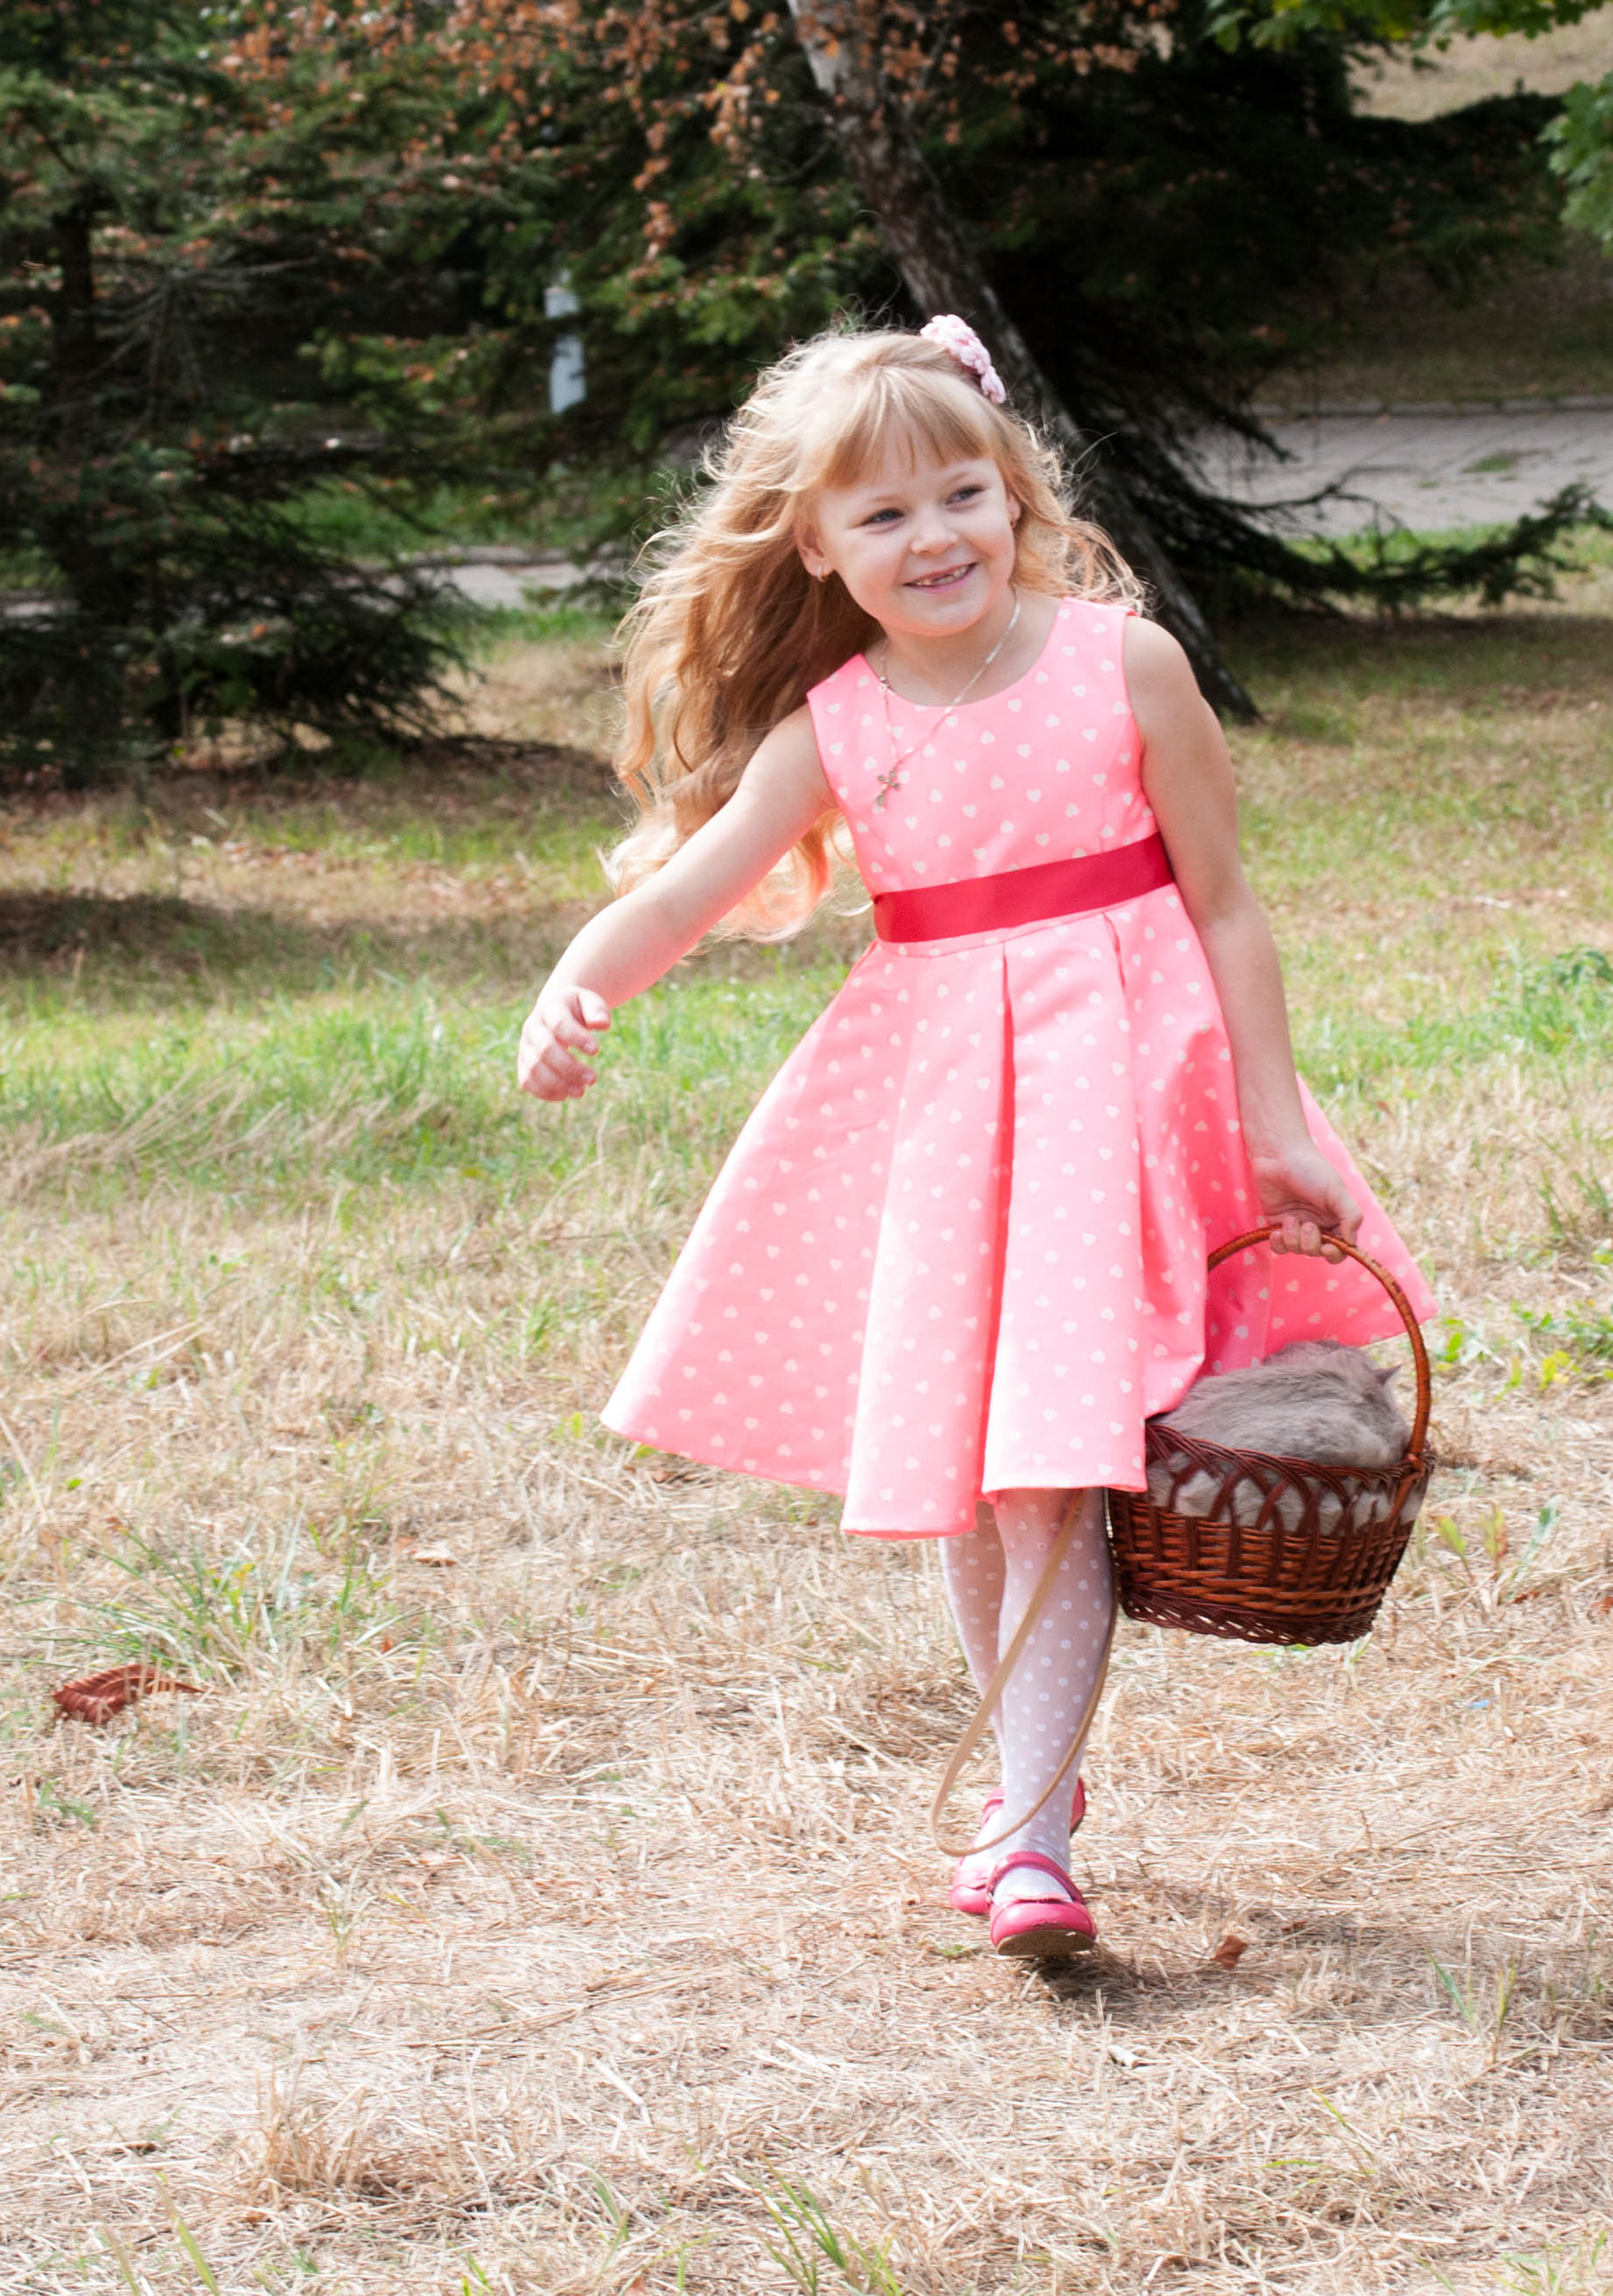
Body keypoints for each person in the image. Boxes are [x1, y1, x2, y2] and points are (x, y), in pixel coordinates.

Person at [512, 318, 1433, 1957]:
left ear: (1015, 494)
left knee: (1048, 1479)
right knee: (983, 1476)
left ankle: (1026, 1833)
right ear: (815, 544)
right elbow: (682, 893)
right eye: (882, 515)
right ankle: (1033, 1790)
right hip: (956, 1134)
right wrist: (573, 990)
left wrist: (1272, 1119)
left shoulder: (1124, 666)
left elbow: (1227, 904)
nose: (933, 536)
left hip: (1123, 1105)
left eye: (961, 495)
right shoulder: (838, 726)